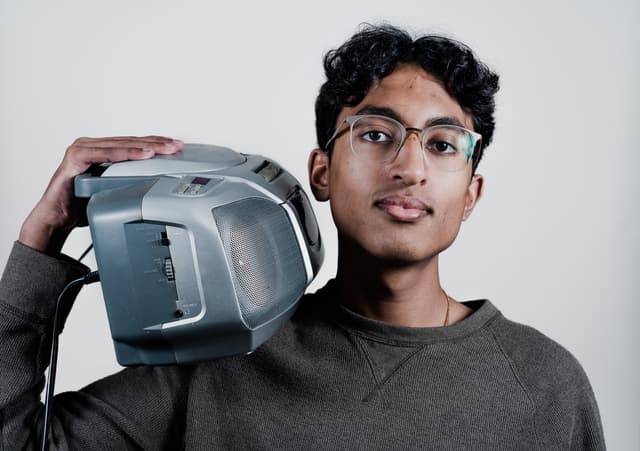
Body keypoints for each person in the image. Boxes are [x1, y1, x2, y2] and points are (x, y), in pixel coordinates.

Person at [0, 24, 605, 450]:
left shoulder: (546, 383)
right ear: (320, 171)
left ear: (470, 195)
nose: (410, 166)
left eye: (443, 144)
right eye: (375, 133)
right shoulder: (220, 357)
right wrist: (38, 249)